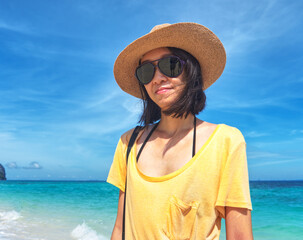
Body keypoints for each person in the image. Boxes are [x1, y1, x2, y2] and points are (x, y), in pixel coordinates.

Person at [107, 23, 253, 240]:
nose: (157, 78)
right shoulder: (129, 143)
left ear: (191, 71)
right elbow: (120, 229)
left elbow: (239, 236)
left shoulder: (226, 141)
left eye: (170, 65)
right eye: (147, 71)